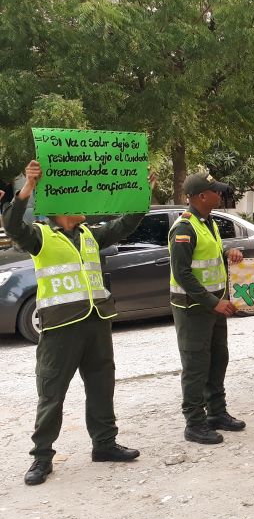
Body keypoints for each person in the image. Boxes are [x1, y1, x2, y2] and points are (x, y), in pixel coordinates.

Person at [5, 160, 153, 485]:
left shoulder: (90, 235)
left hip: (96, 322)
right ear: (60, 207)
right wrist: (27, 189)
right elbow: (13, 227)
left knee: (102, 386)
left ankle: (105, 444)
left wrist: (142, 193)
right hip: (60, 328)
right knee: (52, 393)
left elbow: (126, 223)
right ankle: (41, 459)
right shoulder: (40, 236)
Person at [169, 171, 247, 445]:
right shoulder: (184, 228)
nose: (220, 194)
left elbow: (210, 254)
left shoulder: (207, 222)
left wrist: (228, 253)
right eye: (216, 191)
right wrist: (214, 303)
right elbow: (182, 274)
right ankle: (194, 423)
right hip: (194, 310)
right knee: (195, 366)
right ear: (202, 196)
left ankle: (216, 412)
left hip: (214, 308)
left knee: (217, 360)